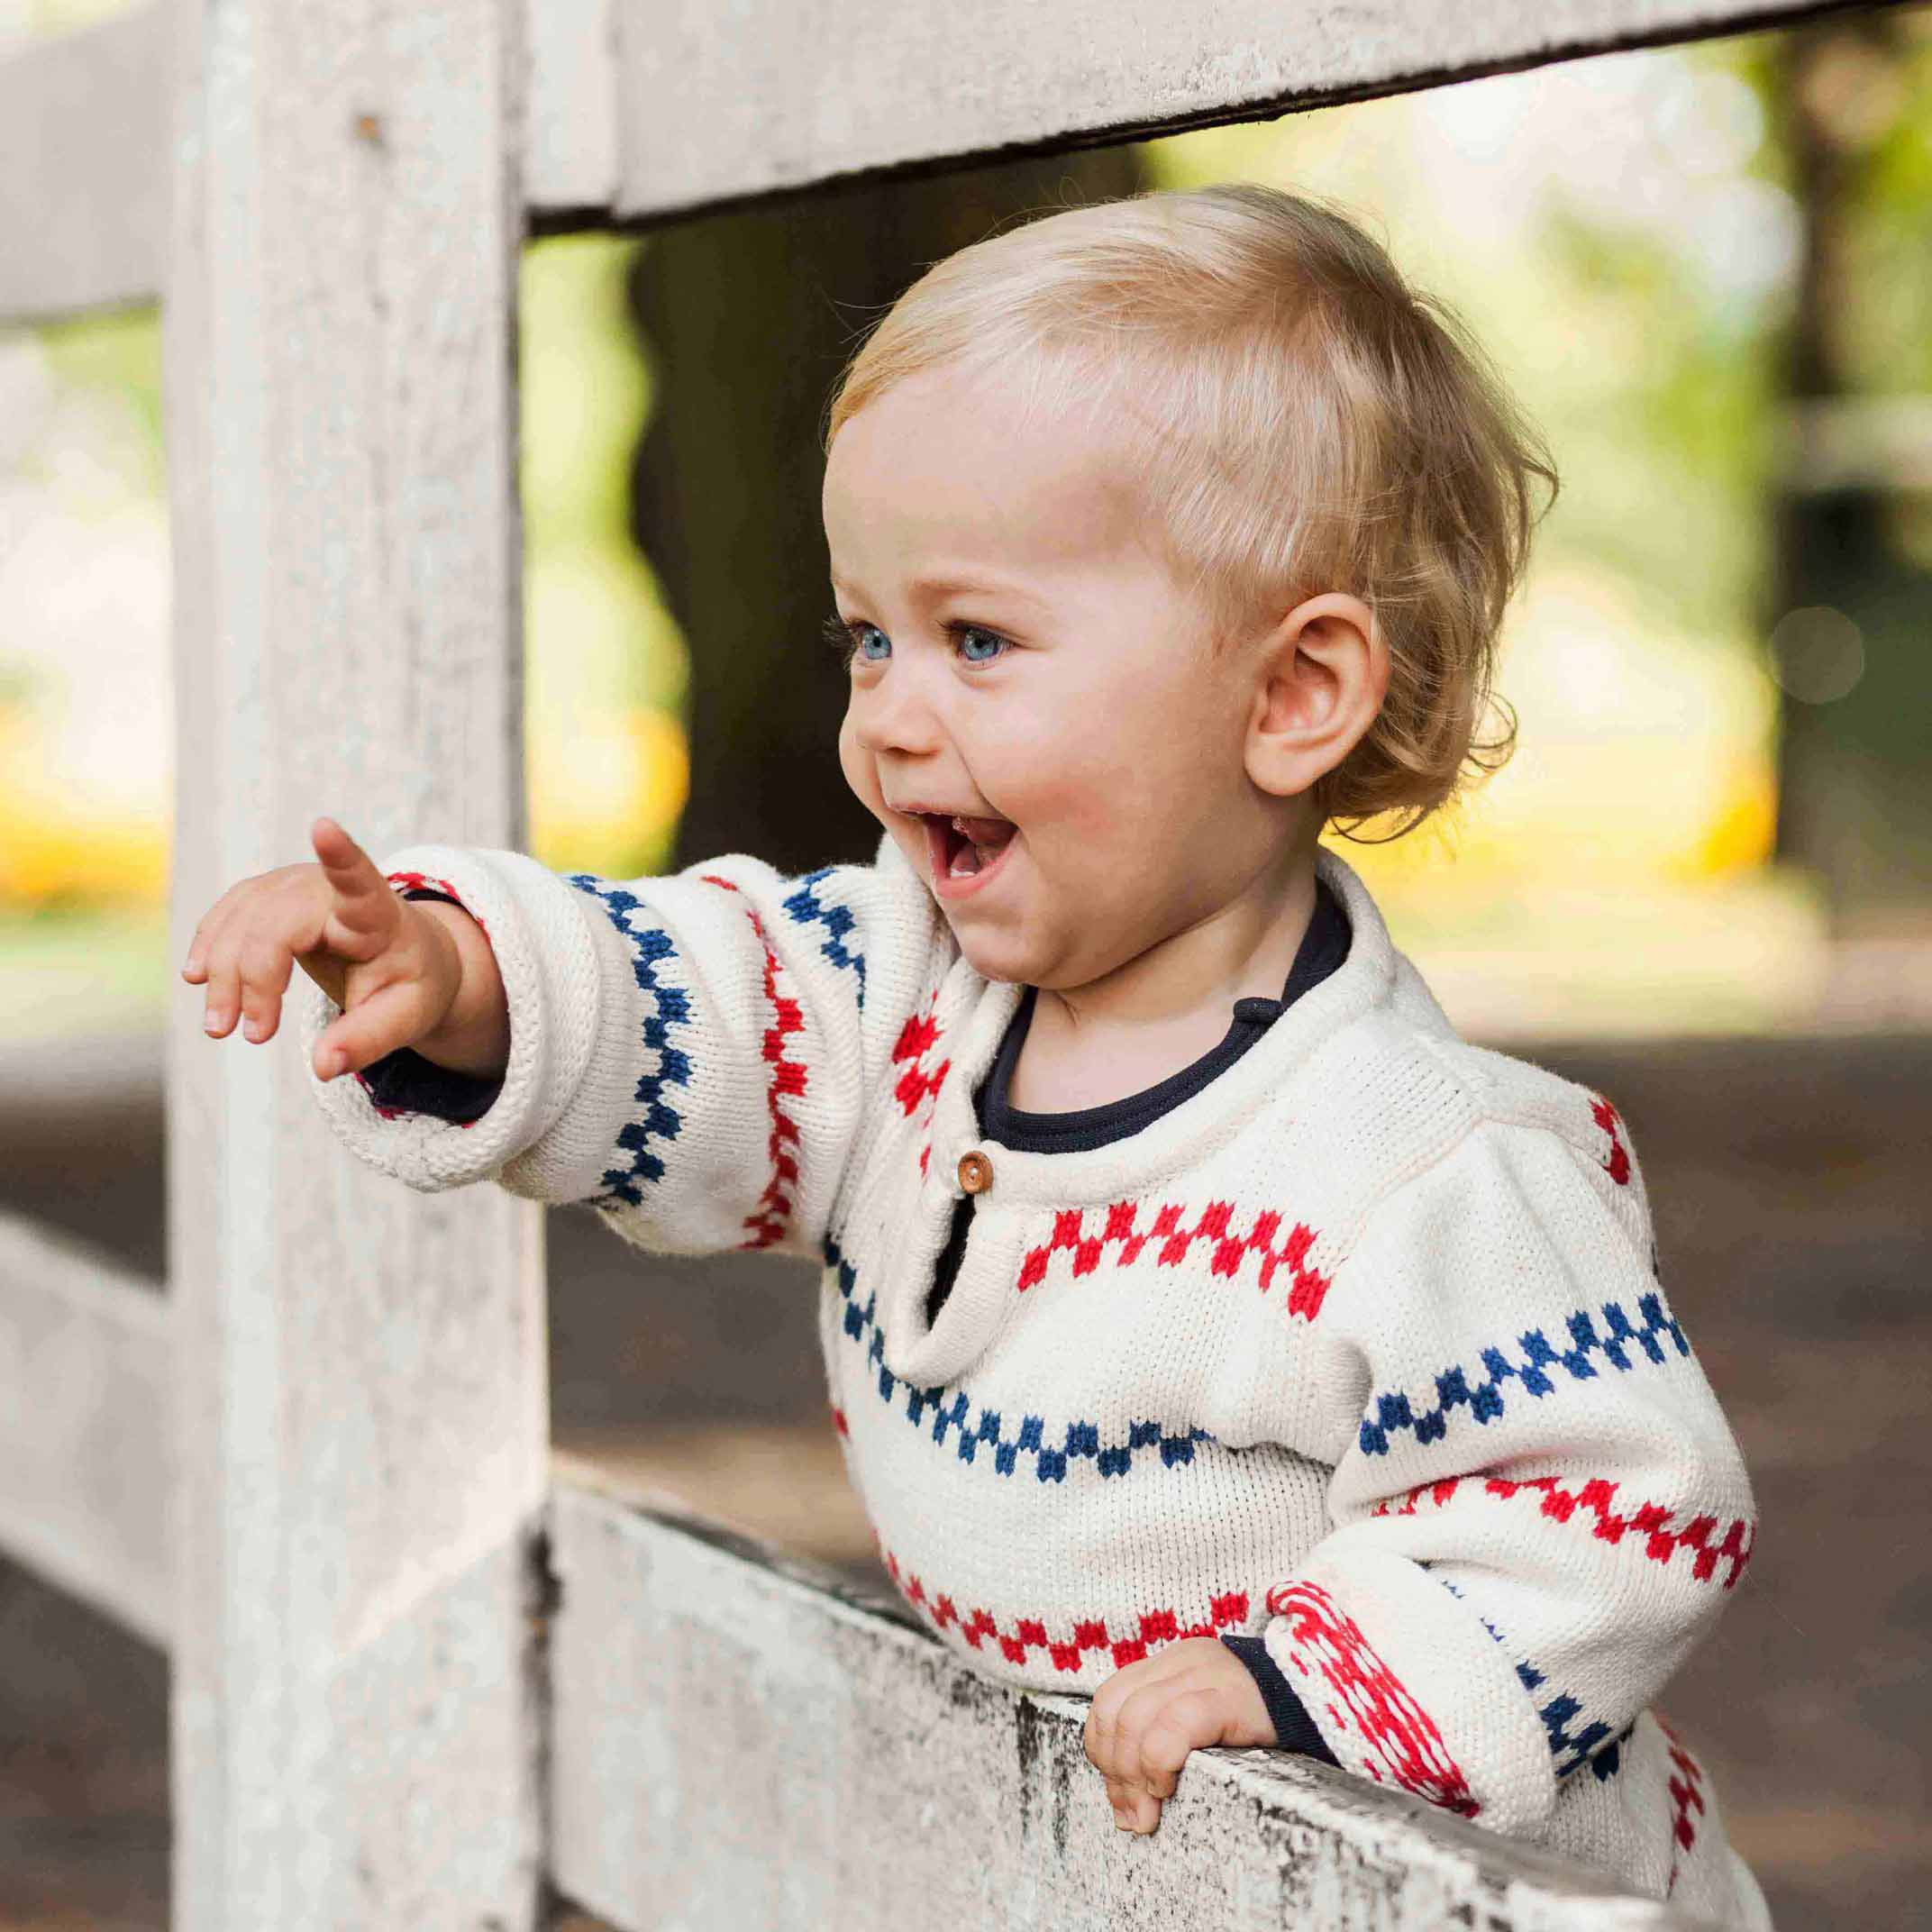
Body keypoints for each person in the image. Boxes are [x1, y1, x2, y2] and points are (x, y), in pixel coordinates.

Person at [180, 184, 1768, 1925]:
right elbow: (700, 997)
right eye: (869, 635)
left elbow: (1619, 1504)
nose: (888, 714)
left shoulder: (1418, 1167)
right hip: (1125, 1860)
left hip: (1468, 1894)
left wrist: (1293, 1676)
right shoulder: (903, 998)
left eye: (978, 639)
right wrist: (463, 972)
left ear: (1294, 693)